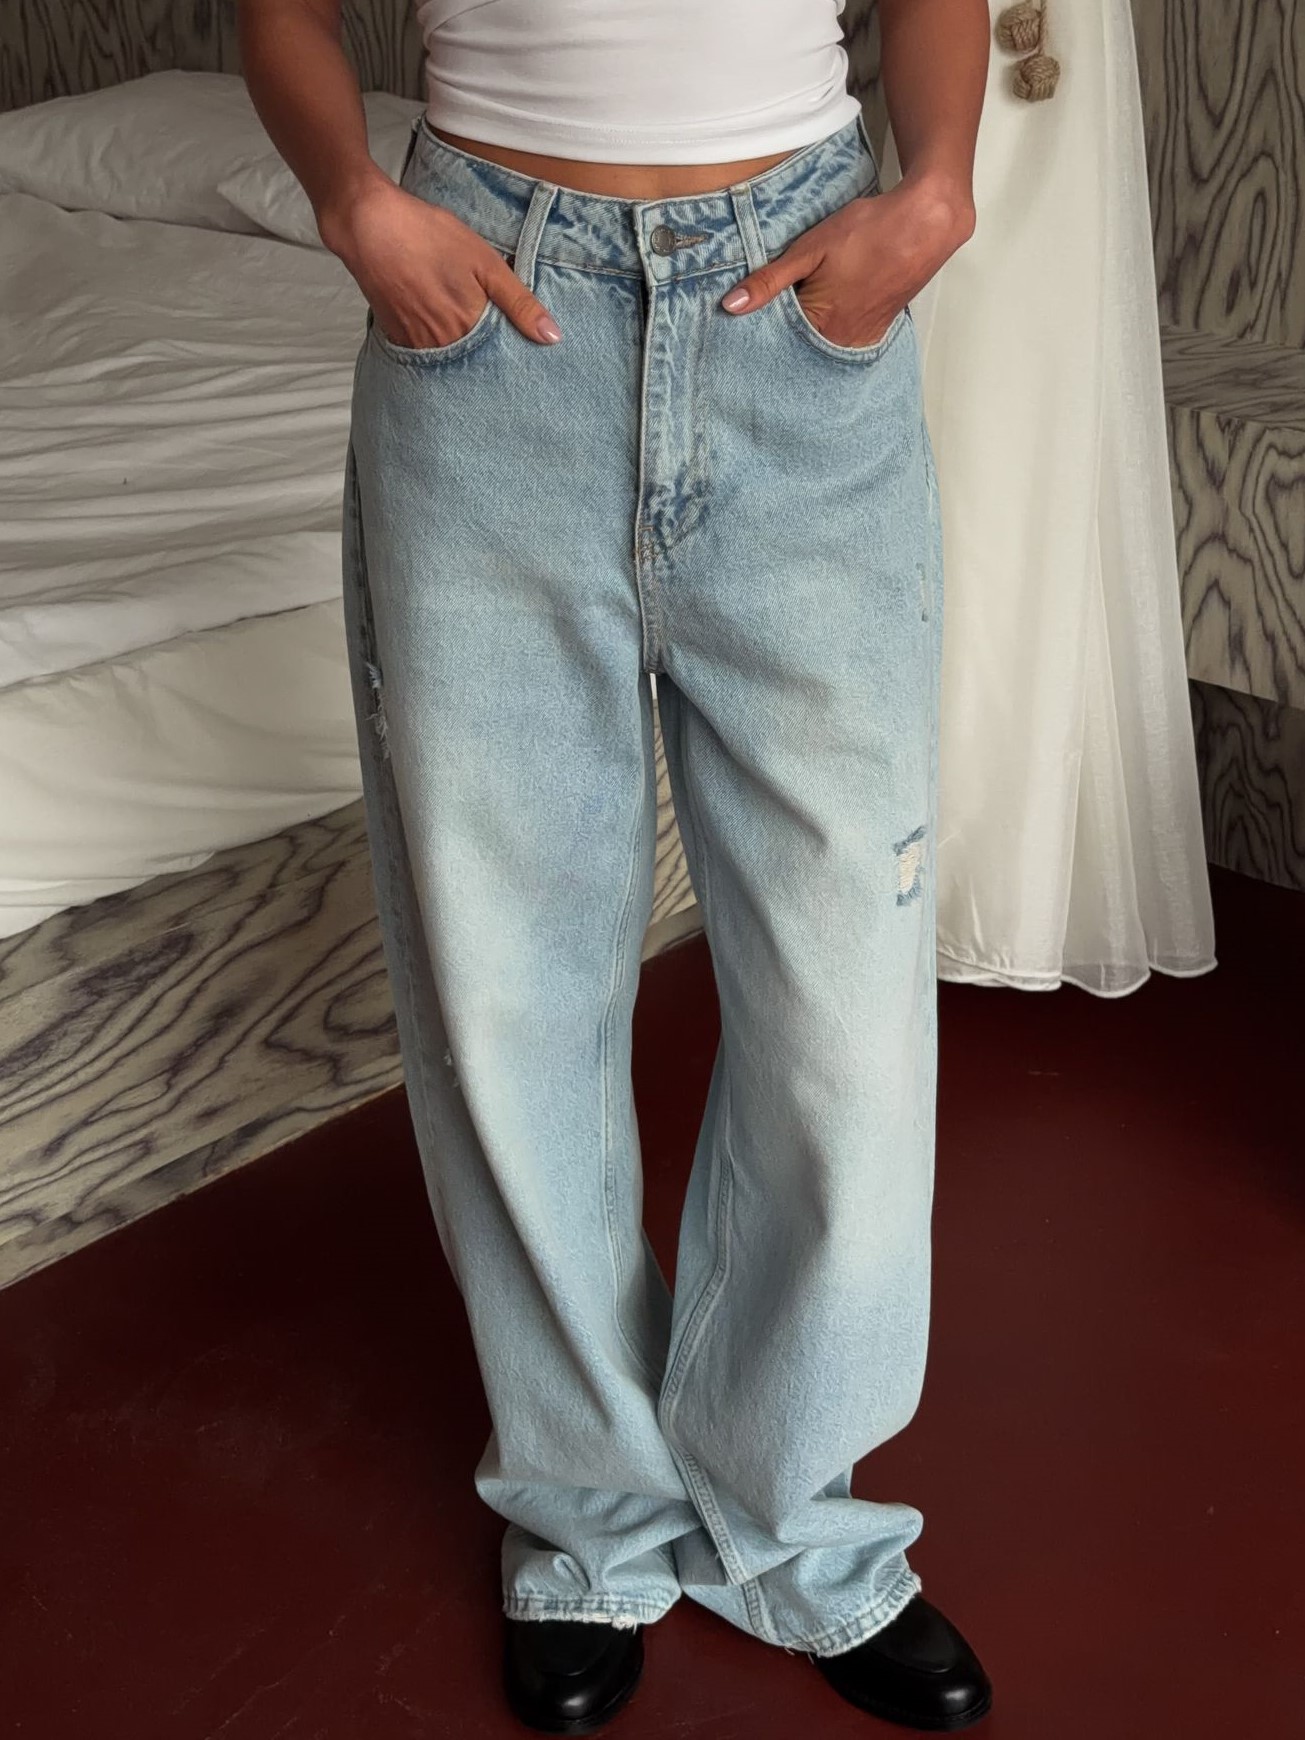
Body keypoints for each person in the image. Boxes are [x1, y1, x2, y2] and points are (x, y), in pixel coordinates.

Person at [238, 0, 990, 1730]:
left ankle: (790, 1514)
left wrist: (935, 188)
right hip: (488, 327)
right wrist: (352, 200)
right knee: (509, 978)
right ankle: (587, 1516)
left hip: (795, 312)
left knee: (847, 1001)